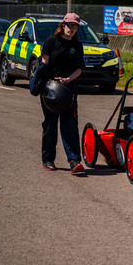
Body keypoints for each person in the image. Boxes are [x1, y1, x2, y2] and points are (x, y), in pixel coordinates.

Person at [40, 13, 85, 174]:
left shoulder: (77, 46)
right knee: (50, 125)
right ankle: (48, 159)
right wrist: (43, 81)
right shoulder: (51, 42)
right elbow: (44, 64)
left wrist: (68, 79)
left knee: (70, 125)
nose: (71, 29)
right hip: (51, 88)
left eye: (75, 26)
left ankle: (74, 161)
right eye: (69, 25)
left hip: (69, 89)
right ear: (63, 25)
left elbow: (79, 68)